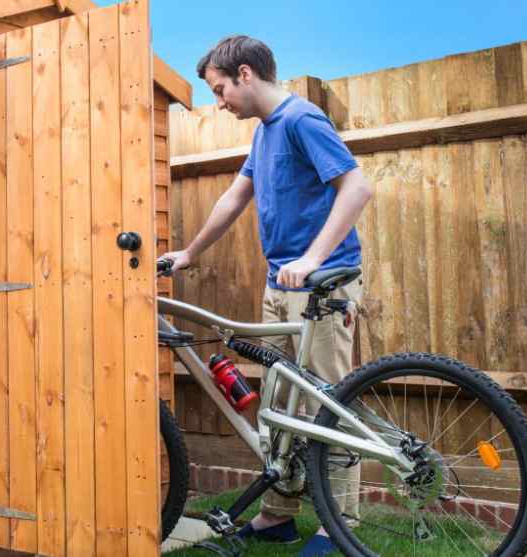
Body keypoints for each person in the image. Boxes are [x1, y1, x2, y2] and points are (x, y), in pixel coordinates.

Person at [160, 35, 373, 557]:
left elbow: (357, 188)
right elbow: (236, 197)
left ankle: (337, 525)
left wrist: (313, 259)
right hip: (281, 286)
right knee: (279, 407)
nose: (219, 101)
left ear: (246, 74)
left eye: (220, 90)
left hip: (324, 284)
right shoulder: (263, 134)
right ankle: (278, 515)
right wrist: (188, 253)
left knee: (327, 404)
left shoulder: (301, 120)